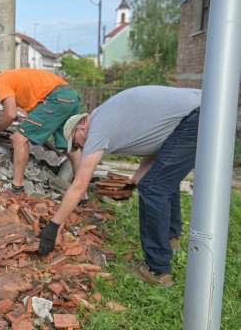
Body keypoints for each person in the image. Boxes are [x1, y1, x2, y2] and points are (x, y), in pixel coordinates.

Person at [38, 85, 201, 287]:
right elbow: (160, 150)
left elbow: (79, 185)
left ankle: (158, 271)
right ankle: (170, 240)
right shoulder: (105, 116)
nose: (81, 148)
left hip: (197, 116)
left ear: (80, 129)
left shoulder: (97, 127)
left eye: (78, 144)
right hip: (200, 112)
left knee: (154, 188)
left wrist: (53, 226)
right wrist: (133, 181)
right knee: (161, 182)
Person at [0, 66, 82, 193]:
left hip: (56, 99)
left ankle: (17, 187)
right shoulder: (13, 77)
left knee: (19, 138)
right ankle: (82, 193)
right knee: (70, 147)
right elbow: (25, 110)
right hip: (70, 97)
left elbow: (10, 114)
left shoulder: (2, 80)